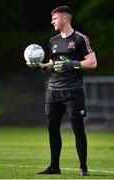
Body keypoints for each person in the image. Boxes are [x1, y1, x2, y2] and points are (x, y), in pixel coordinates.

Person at [27, 5, 97, 176]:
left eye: (54, 18)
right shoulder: (53, 41)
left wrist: (72, 64)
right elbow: (52, 65)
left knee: (78, 128)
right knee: (52, 128)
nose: (52, 21)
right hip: (53, 90)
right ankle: (54, 167)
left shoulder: (80, 39)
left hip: (73, 90)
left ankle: (83, 167)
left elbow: (92, 62)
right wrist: (42, 66)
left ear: (64, 18)